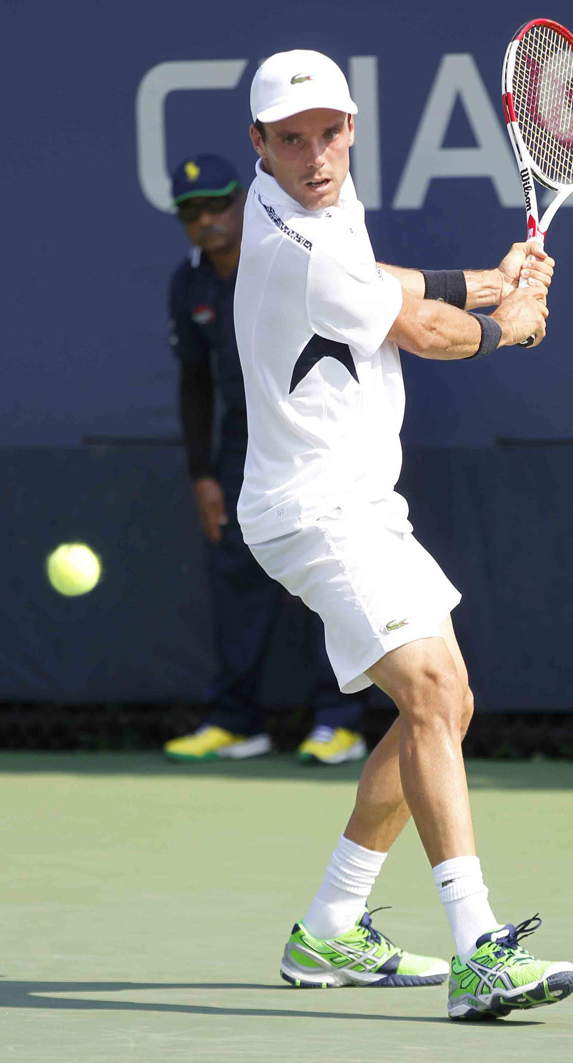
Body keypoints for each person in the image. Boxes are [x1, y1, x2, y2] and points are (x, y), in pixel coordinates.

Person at [233, 50, 573, 1019]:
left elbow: (376, 276)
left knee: (446, 702)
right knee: (428, 689)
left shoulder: (316, 203)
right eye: (290, 139)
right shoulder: (294, 242)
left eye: (327, 133)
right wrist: (510, 322)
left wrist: (486, 278)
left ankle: (331, 926)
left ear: (350, 128)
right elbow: (420, 333)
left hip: (361, 501)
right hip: (313, 511)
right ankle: (479, 948)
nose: (314, 155)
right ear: (258, 143)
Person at [162, 152, 368, 766]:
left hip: (314, 436)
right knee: (237, 577)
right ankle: (235, 722)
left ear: (242, 202)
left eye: (216, 205)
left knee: (329, 571)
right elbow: (194, 382)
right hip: (240, 448)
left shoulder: (285, 255)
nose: (205, 221)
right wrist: (202, 474)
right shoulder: (188, 283)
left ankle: (339, 722)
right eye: (191, 213)